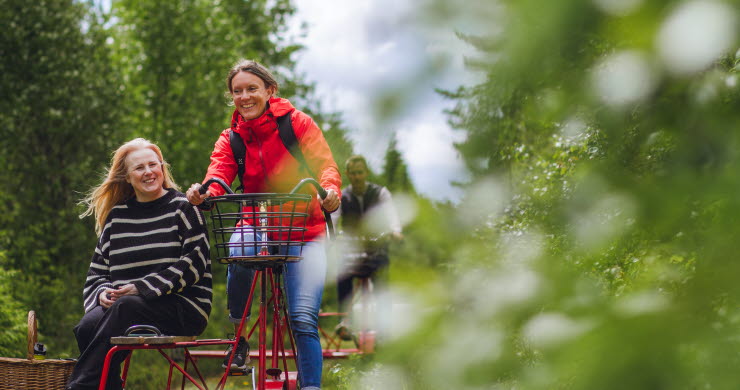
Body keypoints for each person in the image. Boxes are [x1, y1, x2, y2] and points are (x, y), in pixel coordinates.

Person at [186, 59, 340, 390]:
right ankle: (237, 335)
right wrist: (204, 193)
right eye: (237, 91)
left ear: (269, 90)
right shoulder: (231, 138)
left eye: (252, 89)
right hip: (258, 223)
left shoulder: (297, 124)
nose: (245, 97)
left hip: (305, 230)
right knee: (239, 249)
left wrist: (331, 193)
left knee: (302, 319)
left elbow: (325, 165)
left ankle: (310, 386)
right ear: (232, 96)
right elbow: (218, 175)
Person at [66, 138, 212, 390]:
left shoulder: (184, 209)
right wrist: (102, 293)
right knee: (86, 326)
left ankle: (79, 386)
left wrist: (141, 288)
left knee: (127, 306)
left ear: (162, 168)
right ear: (127, 177)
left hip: (183, 308)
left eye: (152, 165)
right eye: (139, 168)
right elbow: (97, 272)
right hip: (125, 307)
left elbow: (194, 264)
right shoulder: (117, 217)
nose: (148, 172)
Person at [331, 155, 403, 340]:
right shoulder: (342, 196)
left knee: (381, 276)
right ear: (347, 174)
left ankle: (384, 325)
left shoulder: (380, 193)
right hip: (351, 251)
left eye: (360, 172)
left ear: (366, 172)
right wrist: (328, 237)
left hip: (375, 248)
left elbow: (391, 214)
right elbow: (333, 219)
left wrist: (395, 231)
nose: (356, 177)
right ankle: (345, 321)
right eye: (353, 173)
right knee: (343, 272)